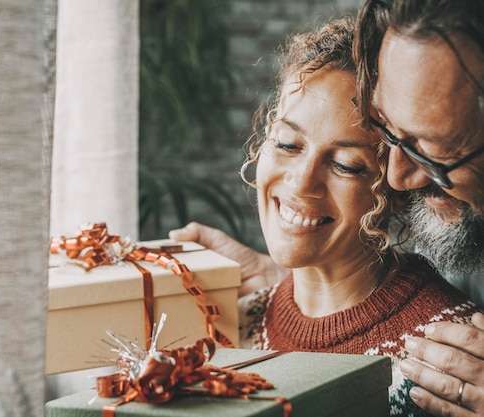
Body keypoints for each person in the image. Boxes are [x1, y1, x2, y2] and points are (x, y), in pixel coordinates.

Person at [170, 1, 484, 416]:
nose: (301, 182)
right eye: (285, 143)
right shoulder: (226, 323)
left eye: (347, 165)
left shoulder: (448, 366)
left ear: (391, 196)